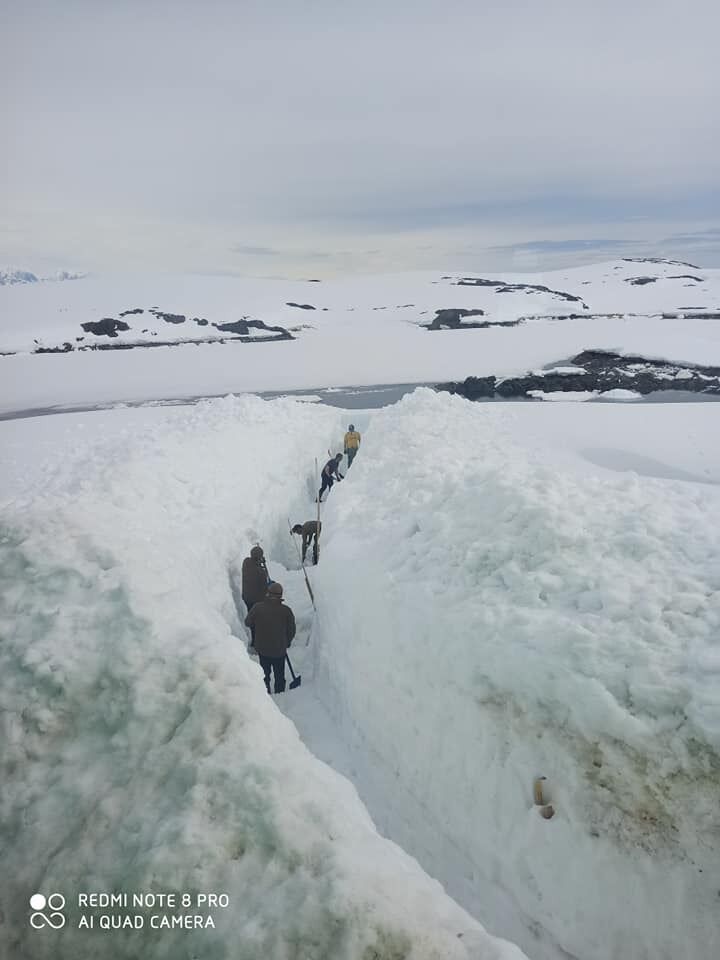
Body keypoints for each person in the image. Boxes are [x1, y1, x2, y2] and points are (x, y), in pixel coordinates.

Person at [244, 582, 296, 693]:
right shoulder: (286, 611)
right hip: (279, 650)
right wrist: (287, 642)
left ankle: (266, 693)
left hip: (262, 649)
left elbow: (247, 622)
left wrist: (258, 624)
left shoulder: (258, 608)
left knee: (264, 674)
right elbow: (291, 630)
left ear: (267, 593)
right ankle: (280, 693)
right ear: (281, 596)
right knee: (279, 675)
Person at [241, 545, 269, 646]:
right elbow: (265, 588)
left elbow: (253, 563)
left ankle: (254, 640)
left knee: (251, 619)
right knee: (258, 622)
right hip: (257, 601)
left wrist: (259, 562)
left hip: (247, 598)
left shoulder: (246, 563)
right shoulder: (261, 572)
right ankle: (257, 641)